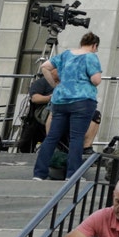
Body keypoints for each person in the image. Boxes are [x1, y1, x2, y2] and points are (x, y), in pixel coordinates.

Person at [35, 31, 104, 182]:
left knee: (52, 137)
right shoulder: (90, 57)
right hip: (82, 100)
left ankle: (39, 173)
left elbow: (45, 67)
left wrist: (54, 85)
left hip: (60, 100)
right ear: (94, 45)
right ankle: (72, 175)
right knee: (76, 138)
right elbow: (96, 80)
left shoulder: (66, 55)